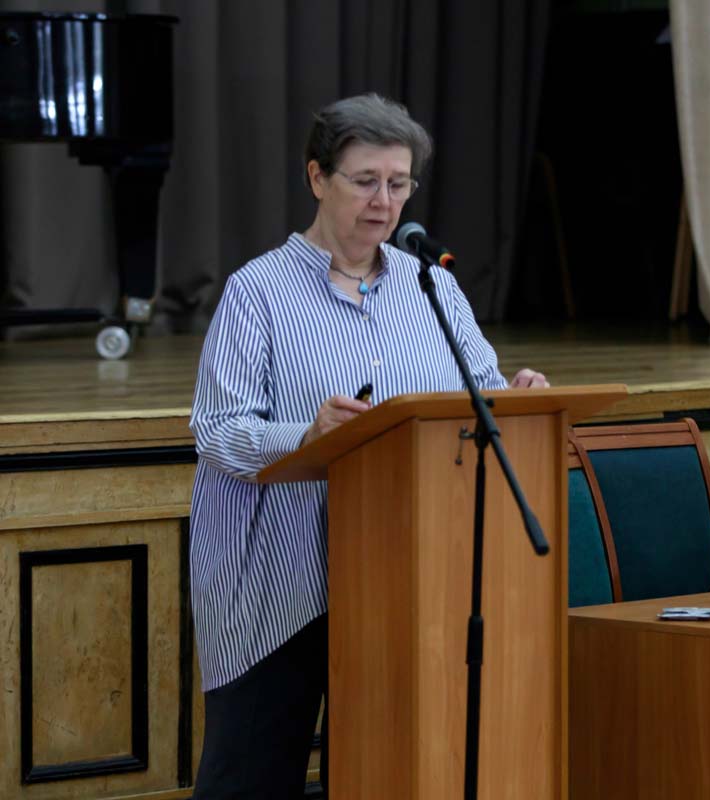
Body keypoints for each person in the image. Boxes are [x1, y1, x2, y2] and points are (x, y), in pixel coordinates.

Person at [188, 93, 547, 798]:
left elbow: (478, 393)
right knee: (251, 777)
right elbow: (218, 431)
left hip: (406, 575)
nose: (384, 202)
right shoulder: (256, 292)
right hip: (279, 581)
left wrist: (516, 397)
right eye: (365, 181)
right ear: (317, 177)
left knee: (382, 772)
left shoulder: (432, 286)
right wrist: (307, 435)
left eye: (398, 183)